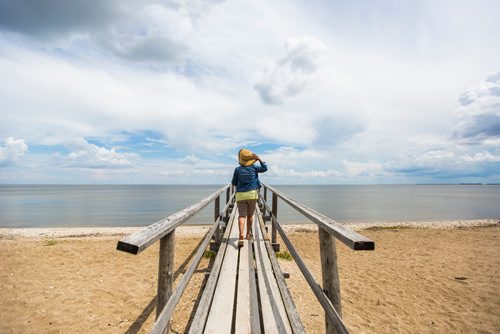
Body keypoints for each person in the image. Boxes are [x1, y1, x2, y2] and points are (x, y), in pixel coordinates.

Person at [231, 148, 268, 247]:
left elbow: (233, 183)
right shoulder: (254, 167)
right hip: (252, 194)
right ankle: (248, 234)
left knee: (241, 216)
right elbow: (265, 168)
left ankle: (240, 235)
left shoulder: (237, 169)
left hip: (241, 195)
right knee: (250, 215)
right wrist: (259, 159)